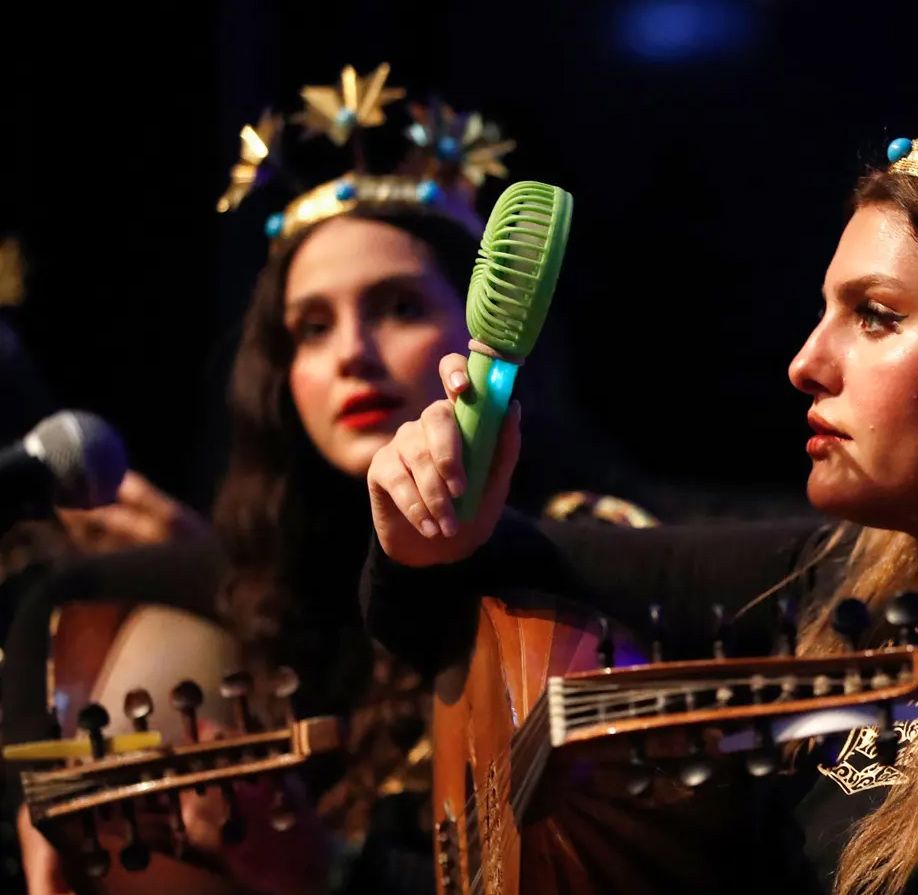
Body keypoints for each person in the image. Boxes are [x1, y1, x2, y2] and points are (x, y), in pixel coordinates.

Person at [360, 8, 918, 894]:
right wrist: (425, 518)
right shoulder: (840, 574)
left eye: (876, 317)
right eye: (826, 312)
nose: (805, 363)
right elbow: (485, 574)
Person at [3, 64, 656, 895]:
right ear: (280, 374)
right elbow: (61, 609)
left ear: (485, 324)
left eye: (400, 307)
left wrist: (331, 873)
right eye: (312, 327)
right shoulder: (269, 571)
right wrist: (43, 803)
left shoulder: (585, 552)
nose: (351, 353)